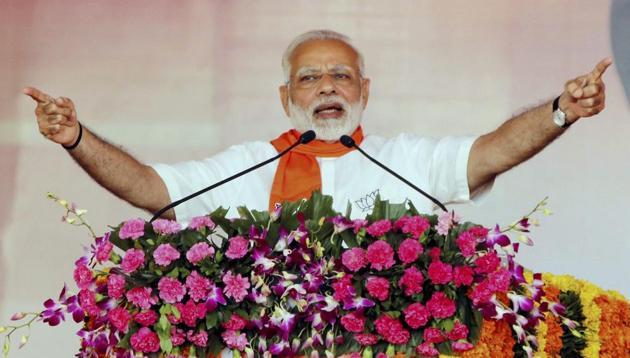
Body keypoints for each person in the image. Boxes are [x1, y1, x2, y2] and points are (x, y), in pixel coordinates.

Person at [24, 30, 611, 223]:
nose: (327, 86)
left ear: (364, 91)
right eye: (309, 79)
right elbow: (150, 189)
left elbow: (494, 152)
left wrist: (560, 109)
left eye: (340, 76)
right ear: (286, 97)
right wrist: (77, 137)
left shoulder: (406, 158)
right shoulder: (245, 166)